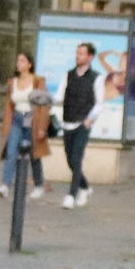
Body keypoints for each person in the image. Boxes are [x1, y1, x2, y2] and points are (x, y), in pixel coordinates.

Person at [0, 52, 50, 201]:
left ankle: (39, 185)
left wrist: (42, 127)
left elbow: (44, 105)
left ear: (29, 64)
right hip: (17, 119)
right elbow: (9, 104)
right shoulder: (13, 82)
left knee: (34, 154)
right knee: (11, 151)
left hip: (32, 119)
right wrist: (5, 124)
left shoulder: (37, 81)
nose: (18, 64)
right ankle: (5, 185)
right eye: (18, 61)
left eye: (22, 61)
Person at [59, 42, 98, 207]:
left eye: (81, 54)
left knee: (76, 158)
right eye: (77, 53)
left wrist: (90, 119)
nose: (78, 56)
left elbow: (100, 102)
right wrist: (44, 100)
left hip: (82, 123)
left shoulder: (96, 77)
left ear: (90, 57)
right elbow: (60, 95)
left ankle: (71, 195)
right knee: (70, 160)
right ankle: (85, 187)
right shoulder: (69, 75)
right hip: (68, 121)